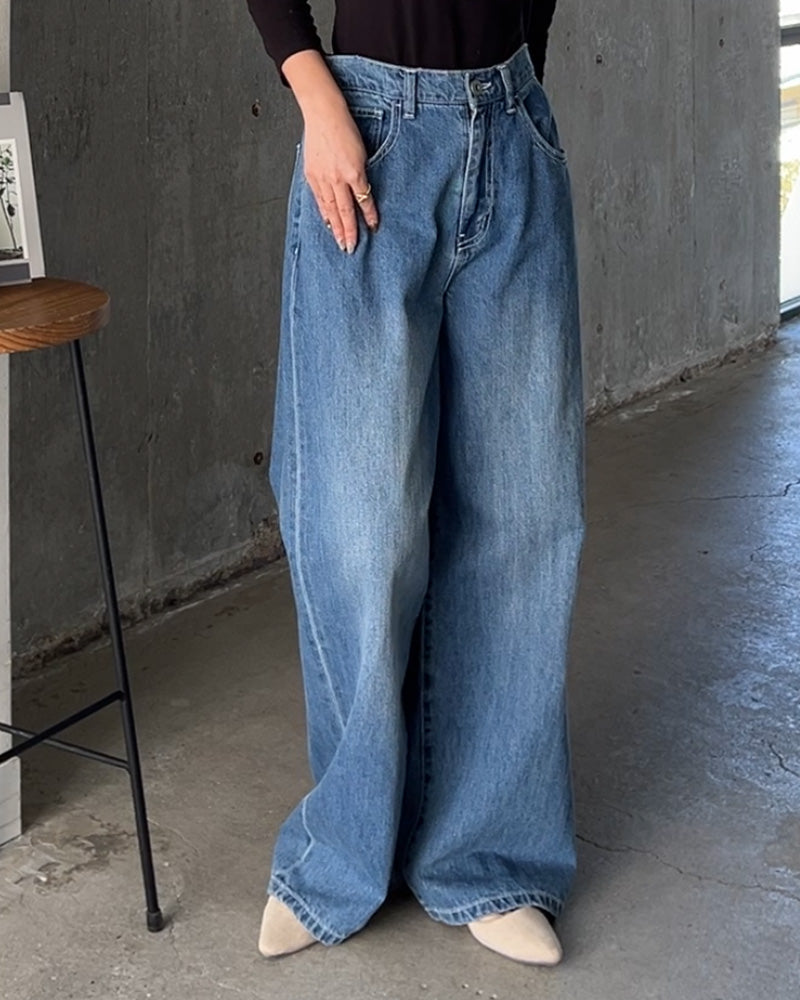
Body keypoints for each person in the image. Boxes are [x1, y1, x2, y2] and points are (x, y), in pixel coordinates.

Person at [245, 0, 586, 966]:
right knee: (360, 522)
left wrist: (522, 90)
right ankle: (340, 852)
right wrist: (317, 96)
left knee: (523, 513)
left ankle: (489, 855)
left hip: (513, 126)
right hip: (371, 133)